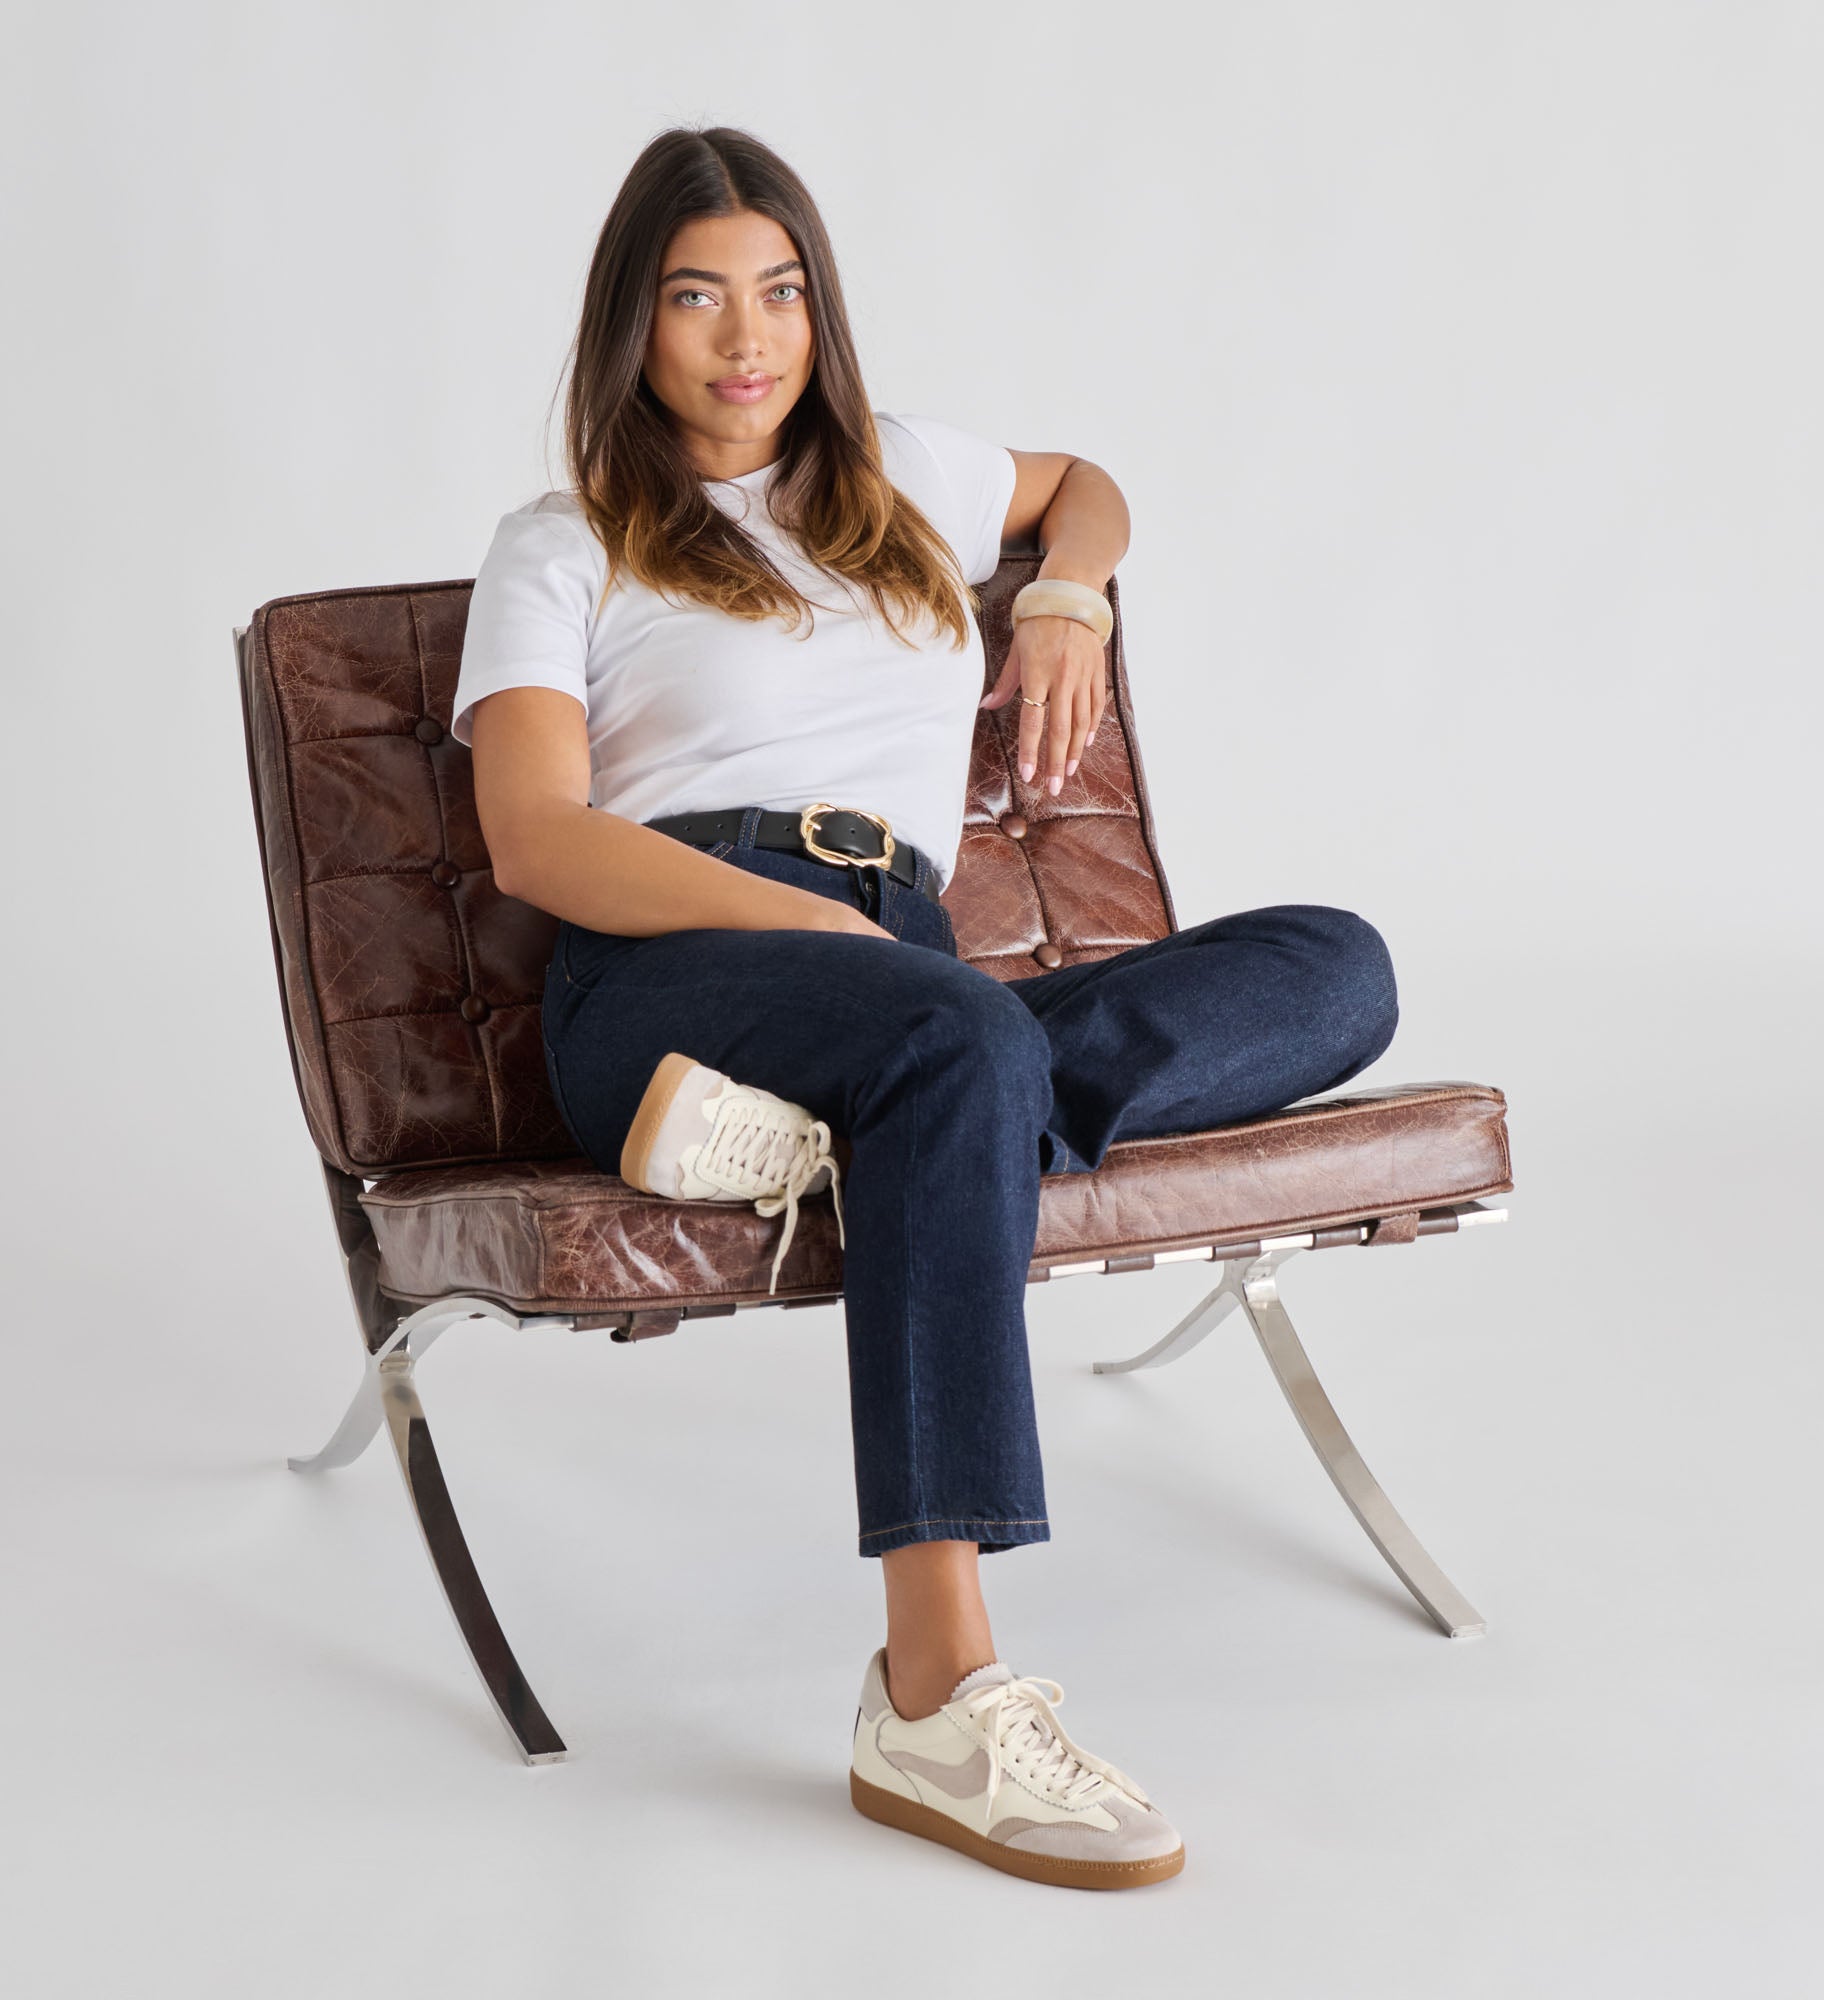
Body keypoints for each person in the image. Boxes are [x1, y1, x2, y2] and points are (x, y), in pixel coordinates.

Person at [453, 126, 1398, 1891]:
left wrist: (1067, 598)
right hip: (669, 960)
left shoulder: (901, 480)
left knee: (1334, 963)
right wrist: (814, 922)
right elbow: (537, 837)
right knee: (958, 1036)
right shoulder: (564, 543)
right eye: (696, 297)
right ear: (632, 326)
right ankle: (935, 1691)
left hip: (900, 973)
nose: (748, 337)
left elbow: (1084, 482)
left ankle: (847, 1140)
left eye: (781, 291)